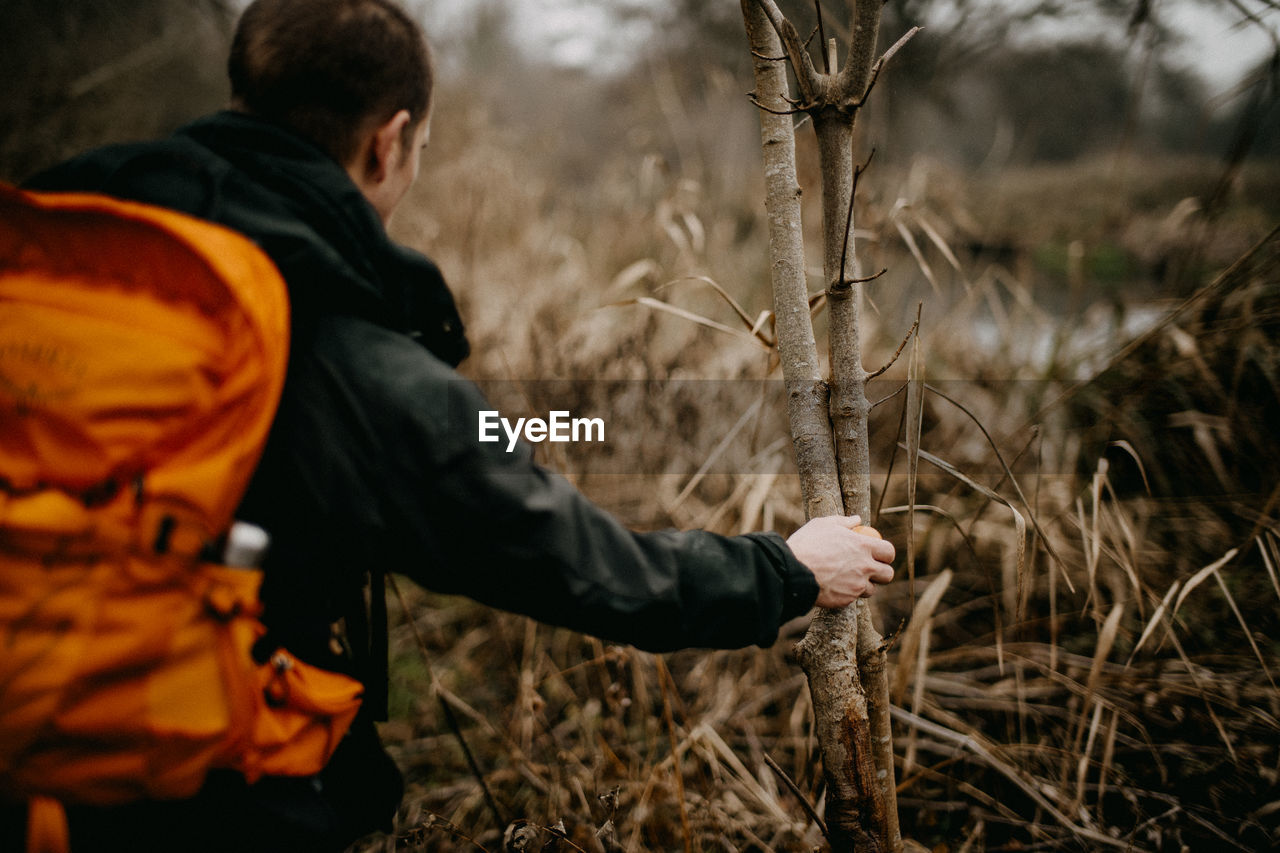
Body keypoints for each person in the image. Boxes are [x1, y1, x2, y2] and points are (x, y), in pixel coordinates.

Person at [10, 0, 896, 849]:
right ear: (386, 143)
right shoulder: (348, 358)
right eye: (421, 150)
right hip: (178, 793)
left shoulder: (61, 255)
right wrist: (786, 568)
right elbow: (586, 567)